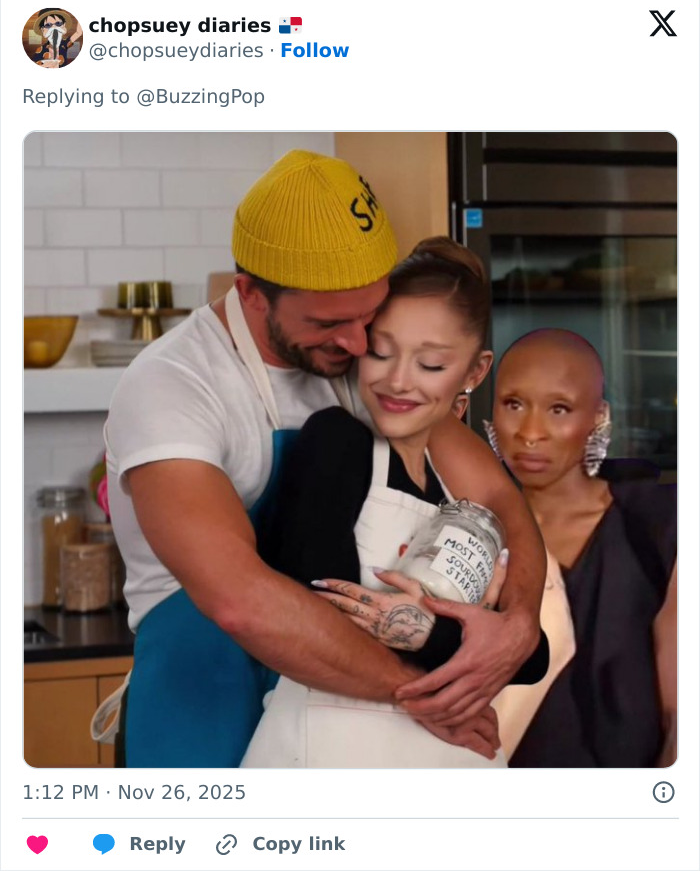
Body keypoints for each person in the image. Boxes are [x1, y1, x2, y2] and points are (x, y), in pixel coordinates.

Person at [105, 150, 546, 767]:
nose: (359, 343)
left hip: (339, 703)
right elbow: (241, 601)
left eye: (370, 315)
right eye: (331, 323)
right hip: (203, 700)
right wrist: (420, 694)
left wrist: (520, 624)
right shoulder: (173, 386)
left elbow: (498, 499)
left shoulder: (365, 369)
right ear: (252, 293)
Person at [241, 237, 550, 767]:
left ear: (474, 374)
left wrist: (437, 630)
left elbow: (529, 657)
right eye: (382, 352)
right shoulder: (336, 442)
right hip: (333, 757)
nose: (398, 380)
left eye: (430, 364)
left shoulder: (458, 493)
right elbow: (320, 607)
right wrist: (446, 637)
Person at [484, 329, 677, 767]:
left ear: (598, 416)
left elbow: (681, 711)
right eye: (514, 404)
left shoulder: (659, 530)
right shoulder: (472, 533)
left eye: (559, 409)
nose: (531, 433)